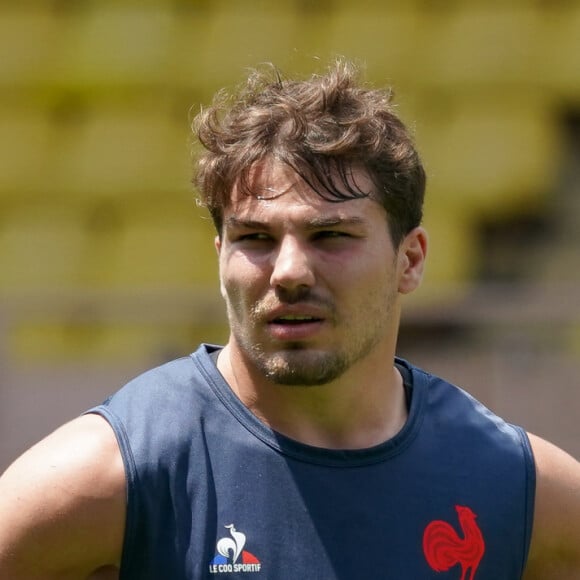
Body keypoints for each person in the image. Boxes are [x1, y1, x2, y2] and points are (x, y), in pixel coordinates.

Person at [0, 59, 579, 580]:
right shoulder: (111, 475)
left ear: (411, 259)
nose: (289, 272)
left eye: (331, 235)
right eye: (255, 238)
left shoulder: (516, 487)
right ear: (220, 257)